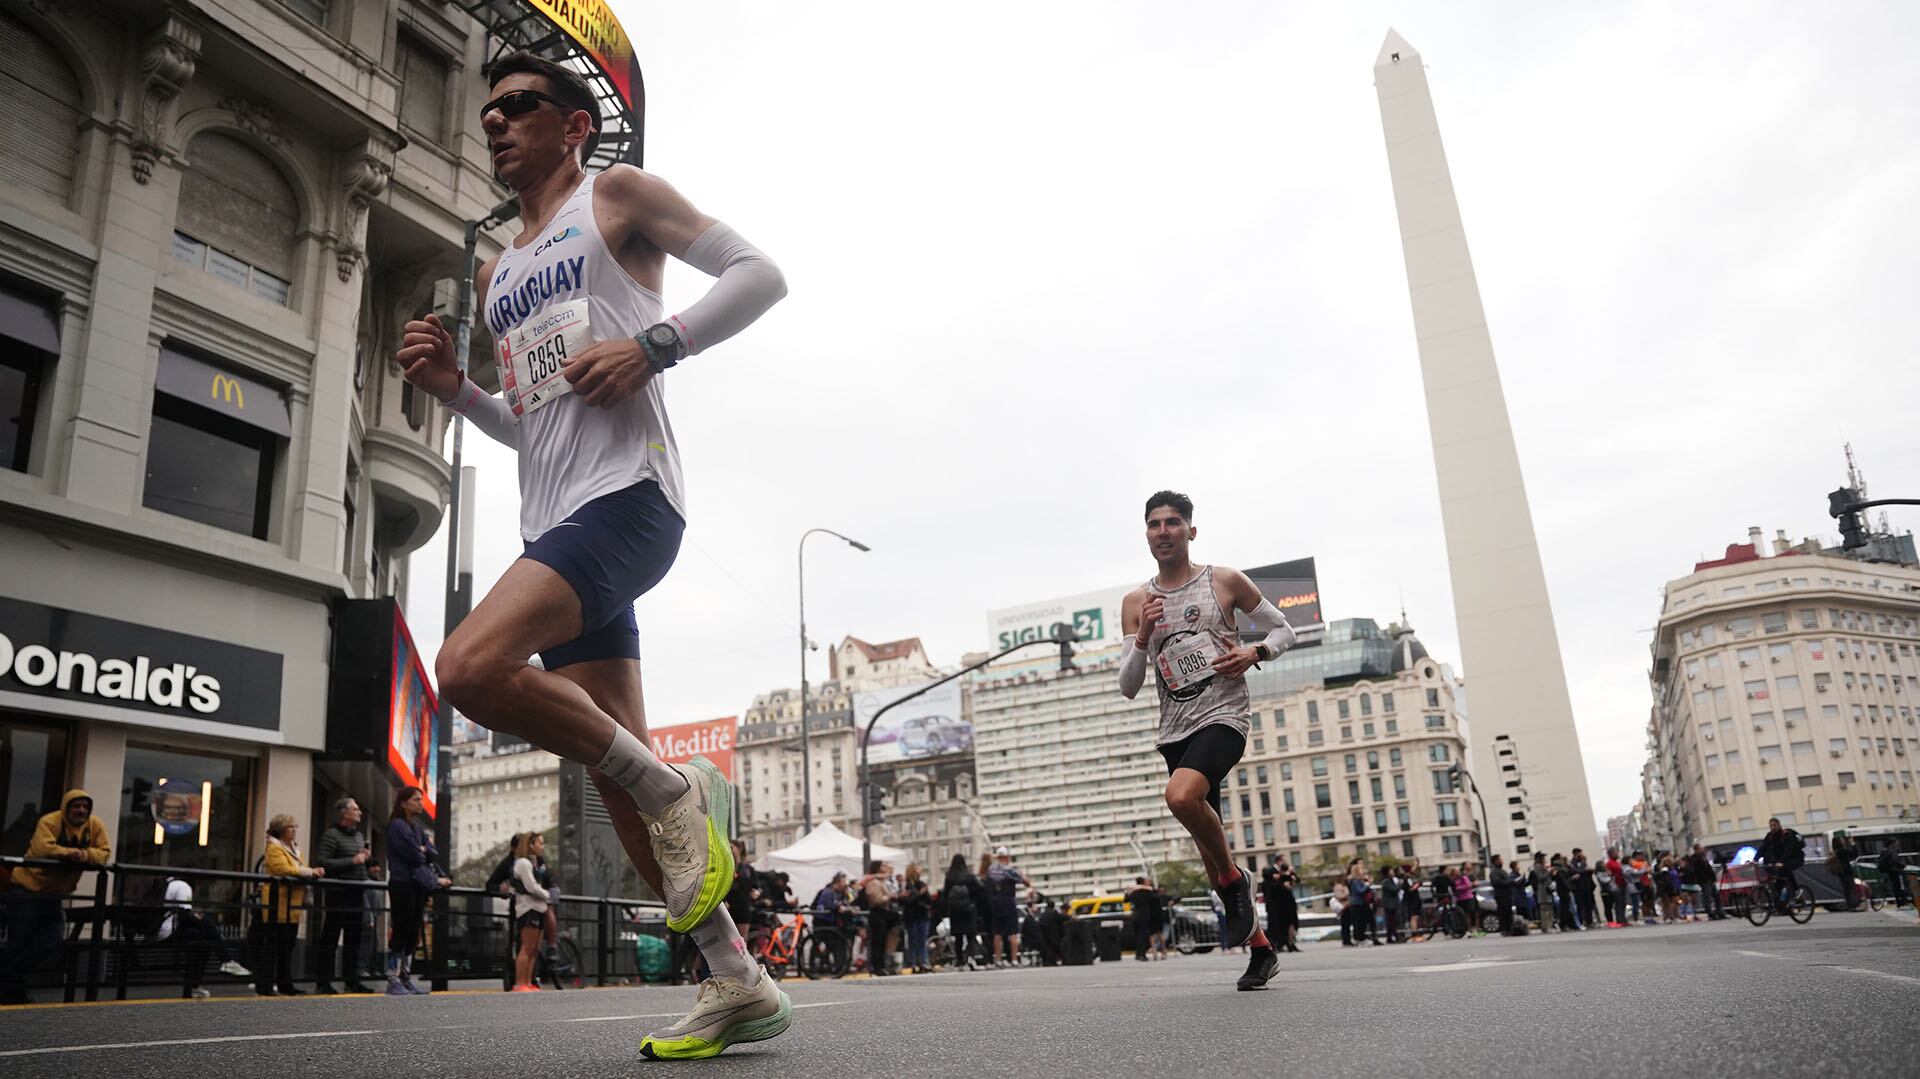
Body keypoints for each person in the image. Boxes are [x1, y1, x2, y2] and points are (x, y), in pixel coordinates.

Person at [398, 47, 788, 1060]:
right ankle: (737, 979)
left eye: (519, 105)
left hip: (631, 501)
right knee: (612, 777)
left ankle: (672, 783)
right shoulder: (499, 276)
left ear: (574, 124)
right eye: (488, 111)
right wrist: (456, 392)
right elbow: (535, 425)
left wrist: (657, 344)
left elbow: (761, 275)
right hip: (556, 518)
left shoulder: (617, 194)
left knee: (471, 667)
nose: (495, 121)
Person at [1117, 491, 1297, 990]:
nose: (1164, 530)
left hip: (1223, 717)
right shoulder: (1137, 603)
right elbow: (1128, 687)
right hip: (1174, 730)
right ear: (1147, 534)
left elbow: (1285, 631)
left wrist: (1254, 651)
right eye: (1154, 523)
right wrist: (1141, 638)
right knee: (1206, 842)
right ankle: (1261, 951)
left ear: (1190, 531)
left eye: (1174, 522)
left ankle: (1235, 883)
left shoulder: (1224, 581)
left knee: (1180, 796)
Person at [1, 789, 111, 1005]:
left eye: (85, 807)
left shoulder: (94, 825)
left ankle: (8, 980)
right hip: (26, 889)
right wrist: (70, 854)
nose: (81, 810)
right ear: (66, 808)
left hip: (54, 895)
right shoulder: (50, 821)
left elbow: (104, 852)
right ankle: (12, 989)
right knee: (19, 941)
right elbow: (43, 848)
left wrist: (85, 855)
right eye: (76, 806)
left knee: (51, 941)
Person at [386, 786, 450, 995]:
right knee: (401, 928)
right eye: (416, 800)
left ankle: (405, 976)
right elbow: (415, 856)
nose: (420, 803)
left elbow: (432, 852)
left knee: (413, 932)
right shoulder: (397, 826)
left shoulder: (416, 829)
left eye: (421, 799)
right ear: (403, 803)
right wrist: (422, 850)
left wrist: (422, 850)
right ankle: (393, 977)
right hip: (402, 883)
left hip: (417, 884)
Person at [312, 796, 376, 994]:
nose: (359, 812)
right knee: (330, 938)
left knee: (354, 939)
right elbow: (323, 861)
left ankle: (351, 980)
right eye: (355, 809)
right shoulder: (331, 835)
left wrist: (366, 859)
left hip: (357, 893)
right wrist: (352, 861)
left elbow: (360, 862)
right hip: (338, 894)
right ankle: (323, 982)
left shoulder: (358, 836)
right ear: (343, 813)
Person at [258, 814, 322, 996]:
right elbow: (283, 869)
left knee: (287, 946)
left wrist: (308, 871)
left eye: (295, 826)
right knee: (274, 945)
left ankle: (285, 983)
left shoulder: (294, 849)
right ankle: (266, 984)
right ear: (281, 830)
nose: (294, 830)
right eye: (290, 827)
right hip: (277, 902)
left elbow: (298, 868)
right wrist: (310, 871)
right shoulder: (274, 848)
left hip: (292, 904)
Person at [156, 874, 250, 997]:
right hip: (167, 932)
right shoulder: (184, 887)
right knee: (206, 933)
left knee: (205, 934)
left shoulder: (168, 882)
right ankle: (224, 962)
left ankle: (223, 964)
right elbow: (184, 917)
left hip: (157, 930)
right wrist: (198, 919)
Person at [509, 832, 553, 991]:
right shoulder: (522, 863)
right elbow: (531, 887)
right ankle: (520, 983)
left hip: (539, 907)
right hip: (528, 908)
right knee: (526, 947)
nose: (542, 847)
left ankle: (528, 981)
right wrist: (548, 895)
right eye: (539, 843)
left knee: (535, 948)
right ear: (530, 845)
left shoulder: (535, 863)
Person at [1754, 818, 1806, 912]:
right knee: (1777, 883)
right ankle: (1781, 907)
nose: (1772, 828)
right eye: (1771, 826)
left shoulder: (1786, 835)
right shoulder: (1770, 836)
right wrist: (1755, 859)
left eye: (1774, 825)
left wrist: (1782, 862)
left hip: (1794, 858)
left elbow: (1789, 850)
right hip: (1779, 861)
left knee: (1786, 869)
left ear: (1779, 825)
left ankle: (1797, 890)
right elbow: (1763, 848)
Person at [986, 847, 1027, 967]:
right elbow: (1026, 882)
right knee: (1013, 932)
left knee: (997, 932)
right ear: (1007, 857)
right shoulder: (1010, 870)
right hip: (1008, 902)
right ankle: (1014, 959)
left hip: (995, 903)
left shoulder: (991, 870)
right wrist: (1022, 875)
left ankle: (997, 959)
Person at [858, 860, 897, 976]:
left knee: (882, 941)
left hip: (883, 913)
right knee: (877, 941)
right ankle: (877, 966)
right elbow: (876, 899)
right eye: (883, 866)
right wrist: (889, 897)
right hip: (877, 912)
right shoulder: (874, 882)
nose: (885, 868)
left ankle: (880, 965)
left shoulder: (880, 881)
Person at [942, 856, 980, 970]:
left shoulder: (949, 878)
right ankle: (971, 958)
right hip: (968, 910)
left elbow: (945, 895)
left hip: (955, 911)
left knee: (958, 937)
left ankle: (959, 960)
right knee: (971, 936)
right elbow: (980, 889)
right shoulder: (969, 877)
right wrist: (973, 902)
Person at [899, 864, 933, 974]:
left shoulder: (921, 884)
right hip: (912, 916)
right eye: (918, 869)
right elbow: (908, 901)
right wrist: (919, 895)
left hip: (922, 915)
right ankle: (913, 962)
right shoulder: (908, 885)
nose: (920, 870)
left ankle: (923, 962)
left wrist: (923, 896)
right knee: (913, 940)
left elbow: (928, 900)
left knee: (922, 940)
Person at [1260, 866, 1301, 953]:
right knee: (1275, 927)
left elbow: (1293, 880)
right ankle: (1277, 945)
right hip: (1274, 909)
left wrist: (1290, 875)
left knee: (1281, 927)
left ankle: (1283, 944)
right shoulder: (1269, 883)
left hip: (1279, 908)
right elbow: (1281, 885)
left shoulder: (1272, 882)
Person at [1127, 877, 1159, 960]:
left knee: (1137, 935)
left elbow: (1126, 899)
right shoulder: (1147, 891)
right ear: (1143, 883)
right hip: (1144, 915)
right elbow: (1156, 896)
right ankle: (1142, 954)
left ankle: (1138, 954)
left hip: (1135, 915)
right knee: (1143, 935)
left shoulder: (1133, 892)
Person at [1829, 831, 1859, 911]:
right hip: (1846, 871)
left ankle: (1850, 905)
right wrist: (1852, 843)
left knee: (1846, 888)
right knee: (1851, 888)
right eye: (1841, 840)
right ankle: (1853, 905)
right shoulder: (1842, 851)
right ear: (1839, 842)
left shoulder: (1836, 851)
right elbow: (1854, 854)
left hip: (1841, 872)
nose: (1843, 840)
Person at [1570, 849, 1599, 929]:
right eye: (1580, 853)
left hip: (1587, 887)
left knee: (1589, 905)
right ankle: (1582, 921)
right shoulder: (1572, 863)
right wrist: (1584, 870)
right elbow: (1575, 871)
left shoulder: (1583, 862)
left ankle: (1590, 921)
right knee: (1580, 906)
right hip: (1579, 888)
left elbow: (1587, 871)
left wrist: (1590, 870)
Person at [1489, 855, 1515, 935]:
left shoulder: (1501, 871)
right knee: (1504, 912)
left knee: (1508, 913)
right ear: (1495, 861)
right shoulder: (1495, 872)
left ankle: (1509, 928)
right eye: (1500, 859)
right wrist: (1509, 881)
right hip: (1501, 895)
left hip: (1507, 895)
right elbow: (1497, 882)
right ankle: (1505, 929)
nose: (1502, 861)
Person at [1876, 844, 1909, 909]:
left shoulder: (1884, 851)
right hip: (1896, 871)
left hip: (1889, 871)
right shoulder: (1892, 851)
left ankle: (1899, 902)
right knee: (1901, 886)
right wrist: (1903, 865)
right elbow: (1895, 861)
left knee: (1895, 887)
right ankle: (1903, 903)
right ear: (1893, 843)